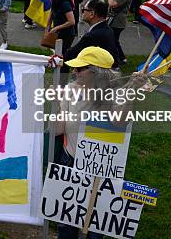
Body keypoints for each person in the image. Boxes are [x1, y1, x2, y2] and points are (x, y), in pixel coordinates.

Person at [56, 46, 118, 239]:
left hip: (100, 167)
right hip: (71, 161)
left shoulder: (115, 96)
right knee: (66, 223)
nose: (74, 71)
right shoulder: (69, 91)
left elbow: (120, 122)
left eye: (80, 68)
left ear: (96, 73)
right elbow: (58, 131)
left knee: (95, 227)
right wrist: (57, 105)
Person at [64, 0, 119, 68]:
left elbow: (72, 54)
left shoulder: (92, 36)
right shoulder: (108, 29)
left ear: (92, 14)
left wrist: (59, 56)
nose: (82, 12)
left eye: (83, 10)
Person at [106, 0, 134, 65]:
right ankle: (121, 58)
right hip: (116, 19)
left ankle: (117, 60)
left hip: (118, 21)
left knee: (113, 40)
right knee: (114, 40)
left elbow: (112, 4)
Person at [48, 0, 76, 65]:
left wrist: (56, 28)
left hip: (67, 33)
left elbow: (72, 22)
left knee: (63, 55)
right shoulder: (54, 1)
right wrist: (48, 26)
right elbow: (51, 14)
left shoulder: (65, 4)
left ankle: (63, 75)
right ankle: (58, 70)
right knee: (57, 53)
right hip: (58, 32)